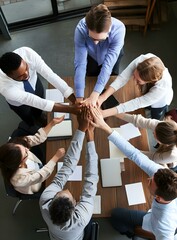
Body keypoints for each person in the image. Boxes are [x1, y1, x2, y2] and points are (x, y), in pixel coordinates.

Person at [90, 107, 177, 240]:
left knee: (116, 216)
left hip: (156, 226)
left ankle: (132, 233)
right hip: (152, 216)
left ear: (158, 197)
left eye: (150, 182)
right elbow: (134, 154)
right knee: (117, 214)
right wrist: (104, 126)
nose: (149, 177)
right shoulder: (160, 174)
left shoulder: (164, 227)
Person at [39, 107, 98, 240]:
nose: (65, 188)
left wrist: (81, 130)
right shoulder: (82, 217)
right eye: (71, 197)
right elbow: (91, 177)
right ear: (75, 206)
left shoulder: (45, 200)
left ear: (52, 202)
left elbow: (67, 167)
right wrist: (91, 139)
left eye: (59, 192)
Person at [0, 47, 79, 127]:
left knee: (39, 109)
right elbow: (33, 100)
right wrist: (71, 109)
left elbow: (50, 75)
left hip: (35, 86)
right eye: (21, 75)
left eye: (26, 68)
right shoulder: (4, 87)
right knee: (29, 118)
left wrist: (75, 100)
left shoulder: (27, 53)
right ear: (9, 75)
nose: (27, 75)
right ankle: (34, 125)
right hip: (19, 104)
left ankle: (40, 116)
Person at [74, 4, 125, 106]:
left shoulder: (119, 29)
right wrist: (79, 96)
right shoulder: (80, 29)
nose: (95, 43)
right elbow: (80, 64)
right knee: (90, 77)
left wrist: (95, 94)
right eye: (92, 38)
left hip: (111, 56)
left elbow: (108, 65)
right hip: (91, 57)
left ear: (109, 31)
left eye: (101, 39)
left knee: (111, 77)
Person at [0, 116, 65, 194]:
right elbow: (41, 175)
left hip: (39, 165)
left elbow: (36, 138)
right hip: (36, 183)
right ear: (20, 164)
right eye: (26, 153)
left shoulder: (16, 145)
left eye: (24, 147)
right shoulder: (19, 179)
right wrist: (56, 157)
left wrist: (52, 123)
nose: (27, 149)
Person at [98, 53, 173, 119]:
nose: (134, 80)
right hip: (148, 92)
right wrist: (102, 97)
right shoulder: (143, 61)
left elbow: (137, 103)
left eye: (138, 81)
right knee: (145, 105)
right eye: (134, 75)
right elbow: (122, 78)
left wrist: (104, 113)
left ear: (149, 81)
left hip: (160, 103)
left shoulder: (162, 88)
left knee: (156, 117)